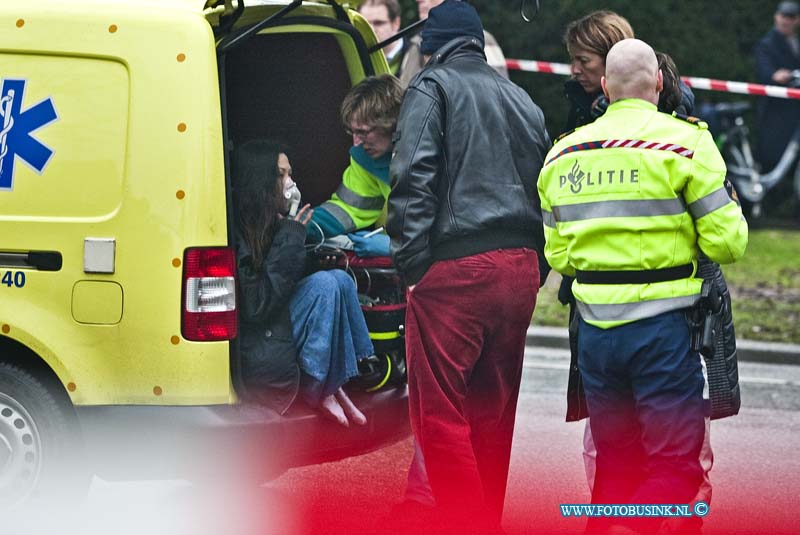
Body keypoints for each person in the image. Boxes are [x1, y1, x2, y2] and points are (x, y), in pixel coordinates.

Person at [538, 38, 748, 534]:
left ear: (606, 87)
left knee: (614, 468)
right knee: (674, 471)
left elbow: (559, 255)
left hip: (595, 336)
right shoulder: (687, 144)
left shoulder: (562, 155)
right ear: (658, 82)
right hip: (663, 332)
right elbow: (727, 243)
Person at [386, 1, 550, 532]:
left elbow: (412, 177)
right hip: (520, 270)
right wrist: (537, 266)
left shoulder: (431, 86)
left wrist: (412, 267)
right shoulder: (523, 98)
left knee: (441, 418)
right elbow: (544, 191)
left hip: (455, 270)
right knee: (492, 418)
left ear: (430, 48)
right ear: (478, 44)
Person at [234, 139, 374, 428]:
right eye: (282, 175)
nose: (291, 182)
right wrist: (291, 233)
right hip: (263, 337)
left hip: (279, 328)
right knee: (324, 285)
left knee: (339, 280)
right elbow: (258, 305)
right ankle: (317, 386)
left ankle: (335, 381)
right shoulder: (241, 229)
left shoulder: (277, 221)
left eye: (290, 174)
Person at [309, 75, 402, 259]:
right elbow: (346, 209)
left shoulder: (430, 155)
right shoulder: (367, 159)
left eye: (364, 132)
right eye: (353, 132)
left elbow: (451, 229)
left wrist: (395, 248)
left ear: (391, 123)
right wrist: (298, 226)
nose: (356, 142)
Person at [399, 0, 508, 87]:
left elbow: (497, 93)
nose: (418, 1)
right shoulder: (415, 43)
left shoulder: (484, 39)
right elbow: (404, 98)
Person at [755, 1, 800, 173]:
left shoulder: (796, 43)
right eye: (783, 16)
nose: (786, 20)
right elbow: (766, 73)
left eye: (791, 17)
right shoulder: (766, 44)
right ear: (776, 16)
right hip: (775, 114)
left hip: (793, 113)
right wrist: (780, 76)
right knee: (771, 158)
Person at [358, 0, 409, 77]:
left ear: (396, 23)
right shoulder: (354, 58)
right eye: (365, 24)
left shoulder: (418, 54)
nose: (371, 29)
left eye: (378, 23)